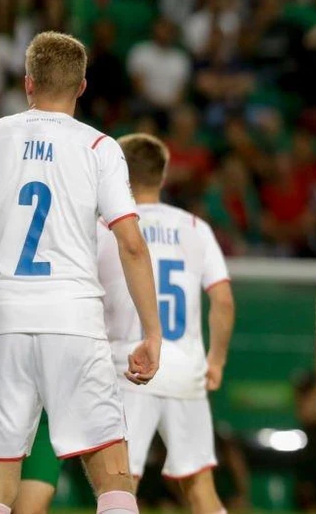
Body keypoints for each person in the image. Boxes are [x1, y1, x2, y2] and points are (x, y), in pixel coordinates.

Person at [0, 32, 161, 514]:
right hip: (73, 320)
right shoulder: (99, 146)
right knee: (113, 474)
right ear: (82, 87)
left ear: (27, 83)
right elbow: (130, 242)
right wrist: (151, 331)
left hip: (3, 321)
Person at [98, 134, 235, 514]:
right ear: (162, 175)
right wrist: (216, 360)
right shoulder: (195, 227)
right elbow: (222, 299)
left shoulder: (108, 227)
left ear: (121, 174)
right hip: (184, 367)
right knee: (199, 489)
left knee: (121, 486)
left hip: (130, 367)